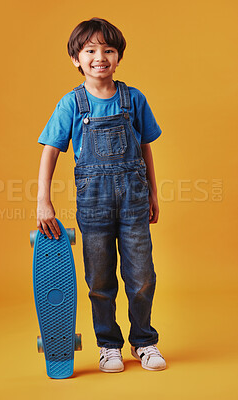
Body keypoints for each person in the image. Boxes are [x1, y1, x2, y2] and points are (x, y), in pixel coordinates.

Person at [37, 17, 166, 373]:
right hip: (93, 205)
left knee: (142, 277)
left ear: (118, 57)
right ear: (76, 59)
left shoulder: (133, 98)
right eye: (90, 50)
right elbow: (50, 150)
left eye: (108, 49)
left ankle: (144, 341)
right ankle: (108, 345)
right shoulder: (71, 104)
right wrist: (42, 200)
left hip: (135, 200)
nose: (100, 57)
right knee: (99, 281)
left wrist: (154, 193)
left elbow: (144, 147)